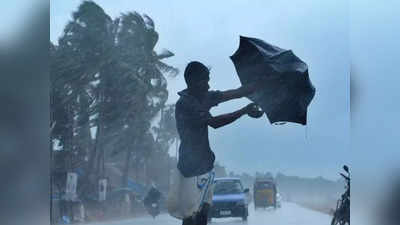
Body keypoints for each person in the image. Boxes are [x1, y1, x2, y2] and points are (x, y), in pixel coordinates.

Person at [173, 61, 264, 225]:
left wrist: (261, 84)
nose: (208, 86)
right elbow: (215, 123)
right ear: (192, 82)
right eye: (204, 81)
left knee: (202, 217)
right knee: (191, 218)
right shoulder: (186, 104)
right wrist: (244, 111)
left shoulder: (202, 96)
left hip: (204, 167)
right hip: (190, 170)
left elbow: (234, 93)